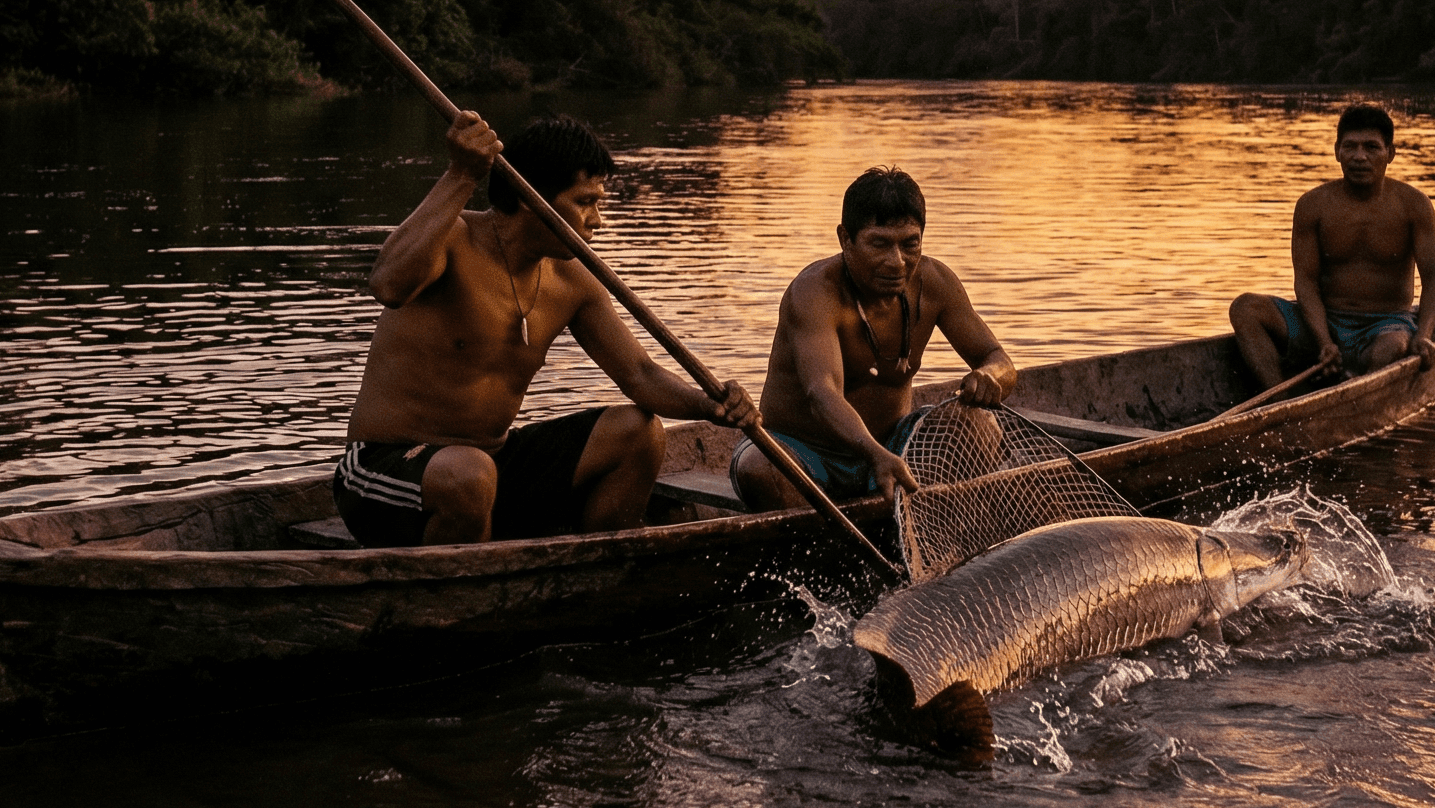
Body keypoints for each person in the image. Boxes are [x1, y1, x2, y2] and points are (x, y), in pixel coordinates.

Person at [336, 111, 753, 547]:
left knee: (638, 433)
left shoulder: (573, 280)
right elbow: (386, 283)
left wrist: (709, 404)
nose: (598, 220)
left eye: (599, 203)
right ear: (533, 197)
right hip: (385, 468)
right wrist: (461, 174)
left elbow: (640, 375)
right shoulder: (454, 239)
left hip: (491, 464)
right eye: (584, 202)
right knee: (470, 476)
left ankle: (599, 573)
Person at [731, 166, 1017, 511]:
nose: (896, 262)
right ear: (845, 239)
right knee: (758, 470)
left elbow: (998, 358)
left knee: (979, 427)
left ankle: (921, 524)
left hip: (893, 442)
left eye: (909, 244)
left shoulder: (936, 282)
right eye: (879, 244)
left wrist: (990, 376)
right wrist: (874, 454)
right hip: (803, 450)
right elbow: (821, 394)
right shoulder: (814, 292)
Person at [1229, 103, 1435, 388]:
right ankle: (1279, 401)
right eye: (1350, 147)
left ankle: (1355, 389)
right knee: (1245, 308)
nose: (1359, 157)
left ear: (1390, 153)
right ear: (1337, 152)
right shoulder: (1313, 205)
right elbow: (1305, 282)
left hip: (1386, 325)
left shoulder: (1414, 205)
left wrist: (1424, 335)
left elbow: (1434, 279)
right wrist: (1324, 341)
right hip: (1325, 322)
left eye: (1371, 147)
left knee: (1393, 348)